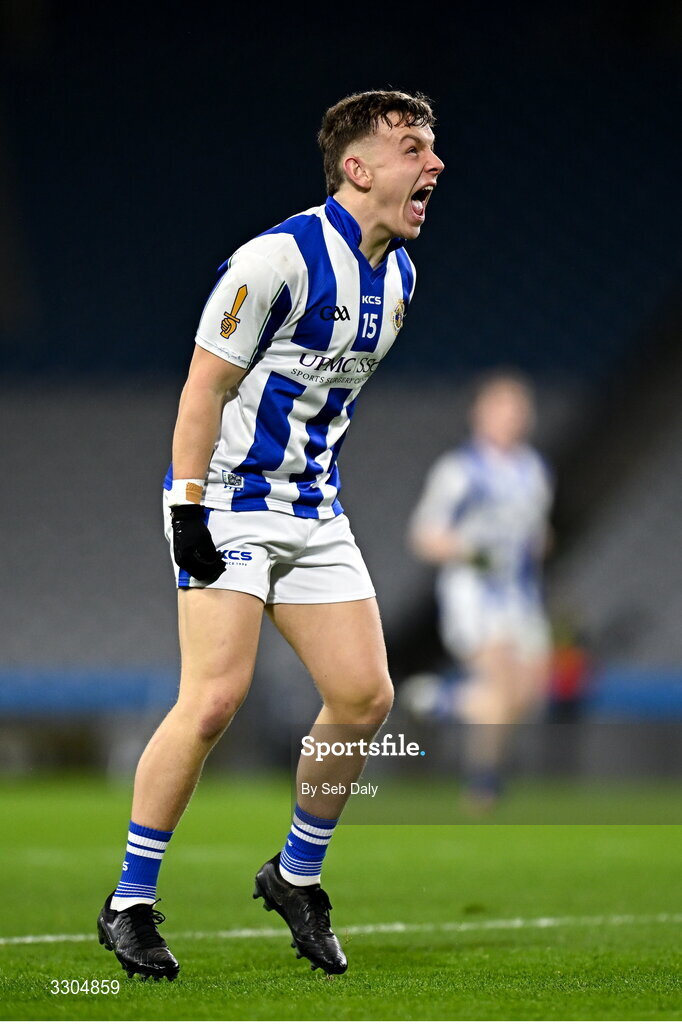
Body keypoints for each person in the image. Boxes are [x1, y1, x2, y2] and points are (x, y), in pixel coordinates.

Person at [97, 90, 444, 980]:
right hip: (225, 499)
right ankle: (129, 903)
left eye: (432, 149)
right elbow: (202, 393)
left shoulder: (400, 278)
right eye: (412, 149)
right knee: (214, 698)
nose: (433, 166)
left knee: (367, 696)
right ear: (356, 168)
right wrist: (187, 515)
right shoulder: (275, 261)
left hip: (312, 510)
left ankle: (295, 876)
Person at [406, 373, 553, 811]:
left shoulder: (534, 471)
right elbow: (425, 535)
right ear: (479, 413)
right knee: (499, 676)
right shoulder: (459, 471)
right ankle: (484, 783)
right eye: (500, 407)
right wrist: (471, 551)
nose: (510, 417)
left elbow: (534, 531)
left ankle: (439, 700)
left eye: (517, 408)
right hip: (473, 593)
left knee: (530, 691)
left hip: (519, 595)